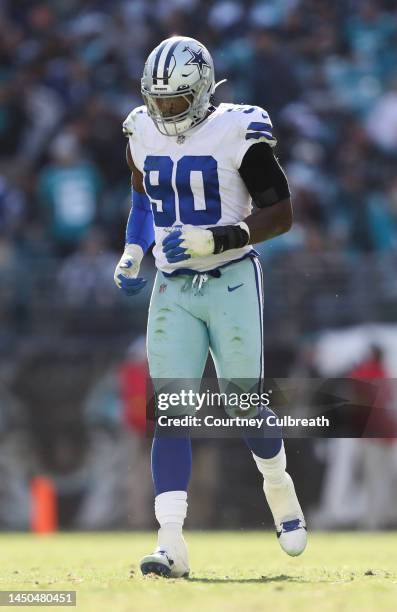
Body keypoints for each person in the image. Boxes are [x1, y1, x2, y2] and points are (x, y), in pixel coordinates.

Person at [114, 36, 307, 577]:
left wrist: (219, 238)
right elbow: (142, 192)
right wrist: (133, 247)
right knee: (171, 410)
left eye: (174, 102)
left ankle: (278, 485)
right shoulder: (141, 128)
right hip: (173, 286)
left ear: (199, 93)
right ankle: (170, 542)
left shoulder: (238, 130)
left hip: (230, 280)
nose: (163, 112)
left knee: (245, 403)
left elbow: (282, 213)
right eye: (157, 100)